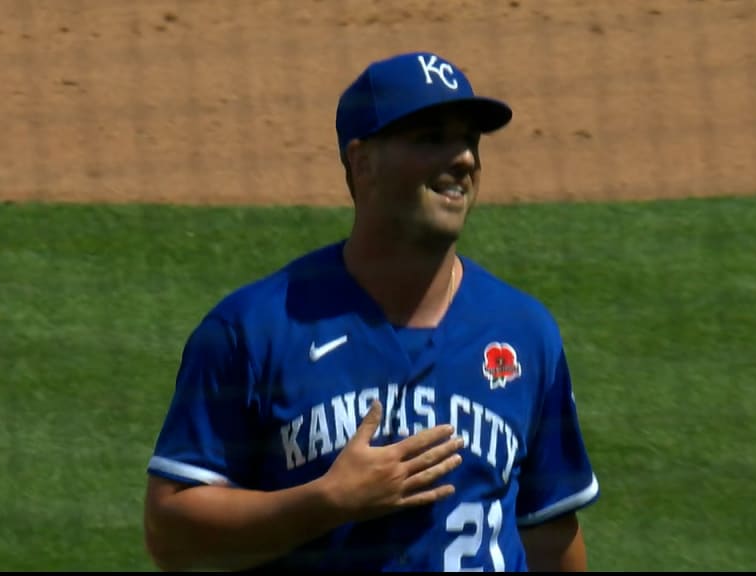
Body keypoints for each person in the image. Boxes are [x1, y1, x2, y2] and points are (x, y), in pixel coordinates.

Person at [142, 50, 600, 572]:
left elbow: (549, 533)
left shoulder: (523, 332)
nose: (465, 159)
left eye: (469, 141)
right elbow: (169, 533)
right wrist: (325, 502)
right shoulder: (253, 331)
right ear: (363, 163)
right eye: (431, 139)